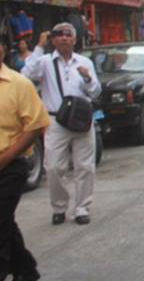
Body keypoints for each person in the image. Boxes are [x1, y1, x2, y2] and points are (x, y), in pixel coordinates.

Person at [21, 23, 100, 226]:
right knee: (54, 167)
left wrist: (88, 78)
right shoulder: (45, 62)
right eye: (59, 35)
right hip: (56, 120)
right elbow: (25, 75)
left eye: (68, 35)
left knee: (85, 166)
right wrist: (39, 47)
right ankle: (59, 207)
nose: (64, 38)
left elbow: (96, 91)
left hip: (82, 121)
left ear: (74, 40)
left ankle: (82, 208)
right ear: (53, 40)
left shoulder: (84, 62)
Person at [0, 41, 49, 281]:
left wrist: (7, 157)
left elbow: (35, 126)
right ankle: (26, 269)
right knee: (5, 222)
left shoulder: (19, 84)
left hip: (11, 165)